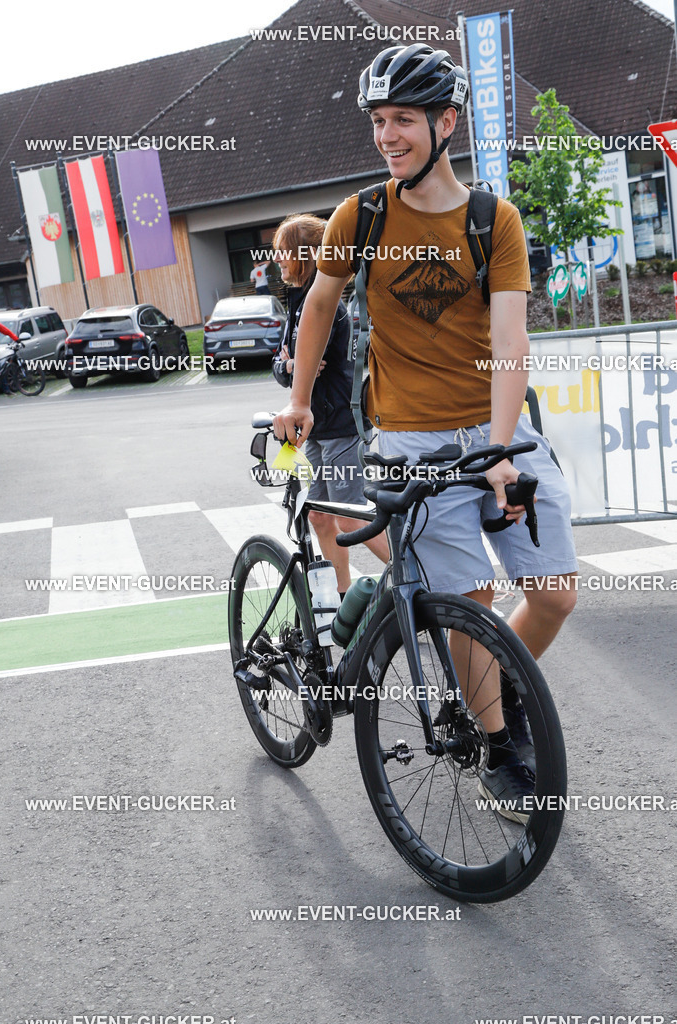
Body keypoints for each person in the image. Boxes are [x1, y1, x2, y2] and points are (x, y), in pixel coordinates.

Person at [273, 44, 578, 820]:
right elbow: (319, 306)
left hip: (495, 426)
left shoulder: (493, 220)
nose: (387, 136)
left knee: (553, 595)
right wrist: (300, 400)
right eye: (378, 121)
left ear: (446, 123)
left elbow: (510, 340)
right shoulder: (363, 215)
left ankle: (498, 690)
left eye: (403, 119)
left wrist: (500, 449)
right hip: (409, 439)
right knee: (471, 598)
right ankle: (497, 747)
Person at [271, 213, 388, 595]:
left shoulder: (326, 305)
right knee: (320, 517)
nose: (278, 259)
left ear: (305, 254)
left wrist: (295, 365)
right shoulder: (298, 305)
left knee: (351, 518)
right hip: (314, 429)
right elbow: (282, 366)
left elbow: (313, 364)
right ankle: (342, 597)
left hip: (341, 426)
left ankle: (422, 582)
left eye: (284, 251)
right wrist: (291, 366)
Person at [0, 319, 18, 394]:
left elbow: (7, 331)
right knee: (0, 370)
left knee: (1, 371)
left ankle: (6, 389)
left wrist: (16, 339)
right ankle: (6, 390)